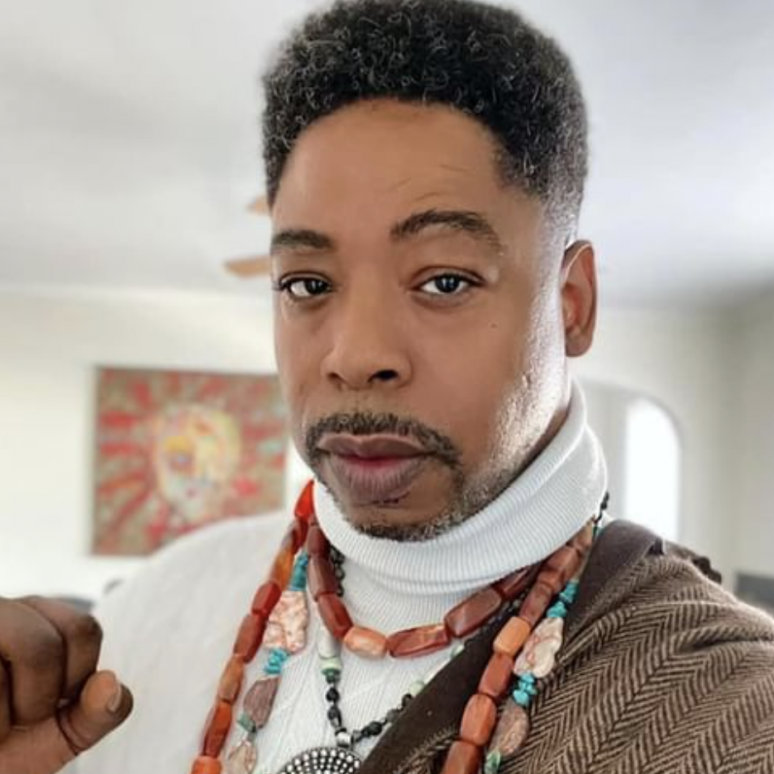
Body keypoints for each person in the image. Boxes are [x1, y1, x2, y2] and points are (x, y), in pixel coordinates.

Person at [2, 1, 773, 773]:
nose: (356, 355)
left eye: (443, 279)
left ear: (571, 304)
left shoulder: (731, 705)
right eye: (307, 283)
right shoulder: (158, 608)